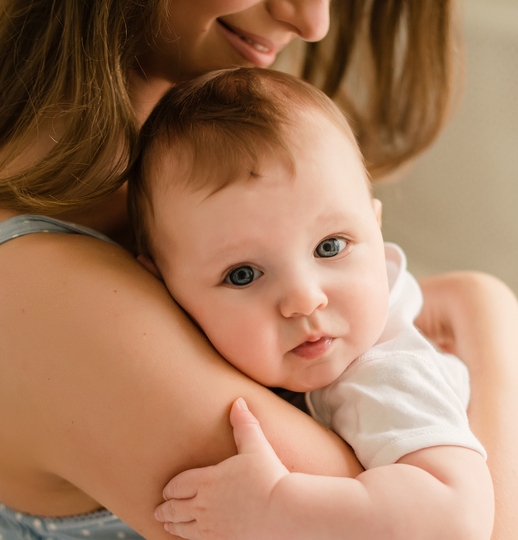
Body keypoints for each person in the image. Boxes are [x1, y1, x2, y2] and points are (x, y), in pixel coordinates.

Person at [0, 1, 518, 539]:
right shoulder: (39, 293)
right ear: (164, 268)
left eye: (336, 247)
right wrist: (495, 331)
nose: (313, 20)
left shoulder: (177, 190)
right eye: (241, 277)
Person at [129, 67, 496, 539]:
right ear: (162, 287)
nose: (304, 299)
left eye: (330, 247)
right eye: (243, 275)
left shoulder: (384, 375)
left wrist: (276, 507)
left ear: (376, 228)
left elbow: (456, 517)